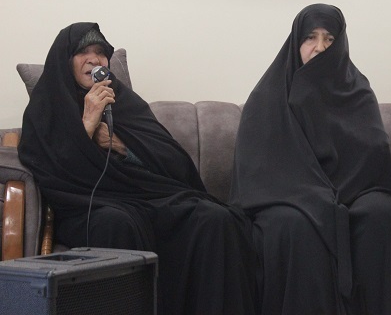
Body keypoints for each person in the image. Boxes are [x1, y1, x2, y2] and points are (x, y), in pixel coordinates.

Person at [18, 23, 257, 315]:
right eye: (83, 52)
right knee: (117, 223)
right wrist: (86, 125)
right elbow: (50, 170)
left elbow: (172, 160)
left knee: (214, 218)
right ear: (65, 60)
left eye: (100, 52)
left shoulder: (122, 100)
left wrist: (121, 146)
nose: (94, 59)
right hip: (85, 206)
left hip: (145, 196)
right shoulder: (46, 108)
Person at [230, 3, 391, 314]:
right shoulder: (268, 96)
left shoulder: (358, 91)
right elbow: (257, 170)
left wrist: (336, 200)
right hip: (288, 198)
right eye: (310, 37)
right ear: (296, 42)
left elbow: (373, 158)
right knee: (295, 226)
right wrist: (317, 199)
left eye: (329, 39)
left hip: (355, 193)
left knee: (384, 217)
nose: (320, 47)